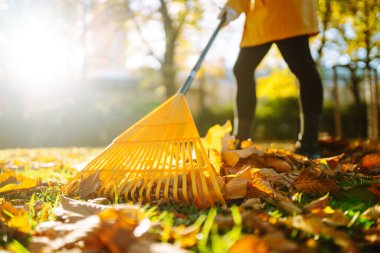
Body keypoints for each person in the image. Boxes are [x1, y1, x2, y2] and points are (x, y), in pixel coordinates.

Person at [218, 0, 324, 158]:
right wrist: (233, 7)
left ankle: (309, 143)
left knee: (304, 70)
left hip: (288, 11)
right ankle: (241, 139)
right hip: (261, 16)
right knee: (242, 69)